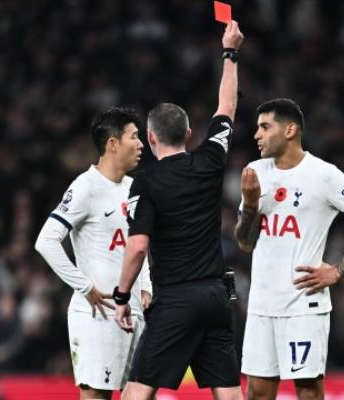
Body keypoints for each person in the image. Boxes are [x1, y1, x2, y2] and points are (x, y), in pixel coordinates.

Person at [113, 21, 244, 400]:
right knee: (229, 391)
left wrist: (122, 298)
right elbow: (228, 107)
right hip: (216, 297)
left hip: (176, 299)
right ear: (188, 134)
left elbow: (137, 247)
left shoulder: (146, 183)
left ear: (150, 137)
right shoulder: (210, 160)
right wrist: (230, 53)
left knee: (138, 389)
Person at [235, 98, 344, 400]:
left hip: (303, 304)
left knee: (307, 392)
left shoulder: (324, 175)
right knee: (256, 394)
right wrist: (250, 206)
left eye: (265, 127)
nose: (257, 135)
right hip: (262, 302)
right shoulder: (255, 171)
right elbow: (244, 242)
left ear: (290, 129)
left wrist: (338, 271)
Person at [35, 107, 152, 400]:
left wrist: (146, 284)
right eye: (134, 137)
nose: (141, 144)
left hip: (134, 312)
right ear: (112, 144)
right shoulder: (85, 187)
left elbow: (138, 243)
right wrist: (85, 287)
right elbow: (46, 240)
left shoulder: (135, 188)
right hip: (97, 316)